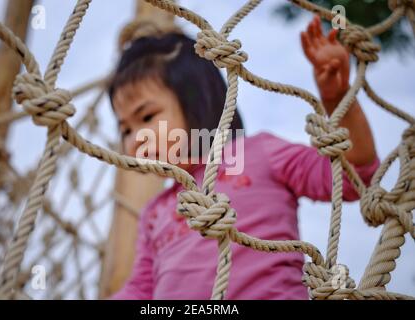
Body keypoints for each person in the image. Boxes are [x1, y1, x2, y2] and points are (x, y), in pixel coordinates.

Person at [108, 16, 379, 299]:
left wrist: (338, 100)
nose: (134, 138)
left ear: (200, 101)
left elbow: (351, 176)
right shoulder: (155, 211)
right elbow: (140, 290)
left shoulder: (259, 153)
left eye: (147, 116)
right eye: (125, 128)